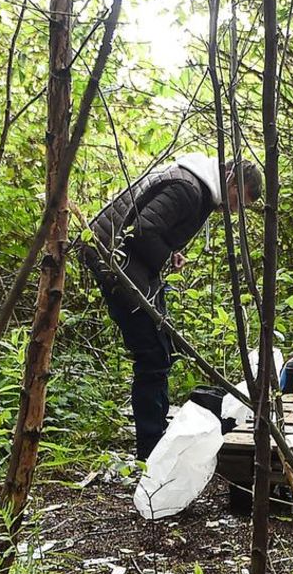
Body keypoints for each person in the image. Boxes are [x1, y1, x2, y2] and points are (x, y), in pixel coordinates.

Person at [82, 153, 263, 460]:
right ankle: (150, 453)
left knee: (162, 349)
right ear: (230, 177)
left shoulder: (196, 187)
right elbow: (142, 231)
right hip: (113, 258)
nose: (233, 211)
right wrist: (165, 256)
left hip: (128, 260)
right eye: (237, 200)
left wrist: (170, 252)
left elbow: (152, 225)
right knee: (153, 356)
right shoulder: (188, 188)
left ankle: (154, 441)